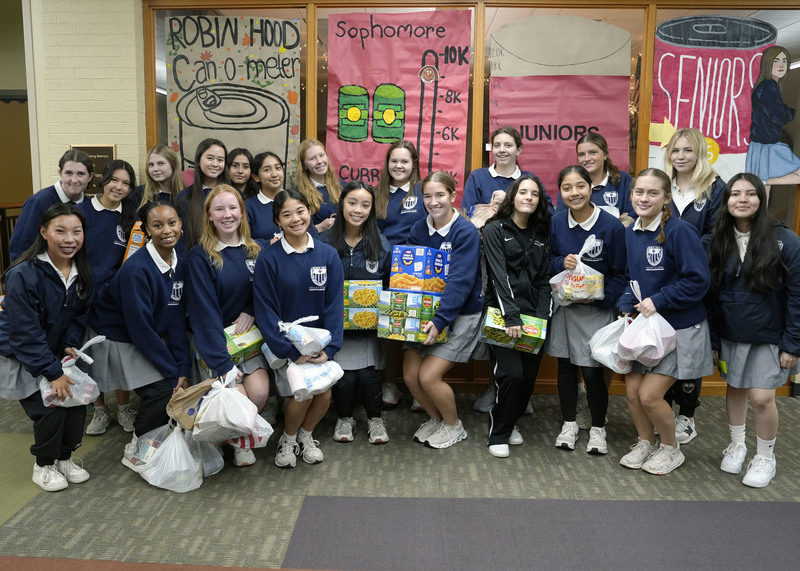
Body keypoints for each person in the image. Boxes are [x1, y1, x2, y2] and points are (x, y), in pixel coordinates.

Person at [707, 173, 800, 488]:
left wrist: (793, 344)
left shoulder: (785, 240)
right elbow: (711, 293)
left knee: (762, 397)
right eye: (735, 194)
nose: (742, 199)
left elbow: (796, 294)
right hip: (730, 331)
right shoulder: (718, 237)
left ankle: (765, 456)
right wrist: (714, 339)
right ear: (727, 200)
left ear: (762, 199)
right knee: (735, 387)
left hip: (770, 335)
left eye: (750, 194)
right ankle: (737, 444)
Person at [617, 168, 712, 475]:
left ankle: (671, 449)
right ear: (631, 195)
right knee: (632, 391)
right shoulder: (630, 232)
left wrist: (659, 300)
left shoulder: (679, 231)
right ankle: (645, 442)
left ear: (666, 197)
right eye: (639, 192)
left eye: (653, 193)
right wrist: (623, 308)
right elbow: (629, 280)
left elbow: (698, 281)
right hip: (645, 328)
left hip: (679, 328)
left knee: (649, 395)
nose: (644, 198)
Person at [86, 200, 191, 473]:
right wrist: (171, 373)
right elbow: (140, 328)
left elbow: (175, 317)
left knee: (175, 381)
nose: (166, 230)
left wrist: (181, 367)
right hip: (116, 335)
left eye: (172, 223)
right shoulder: (137, 270)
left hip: (142, 333)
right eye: (157, 225)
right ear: (146, 230)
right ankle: (139, 443)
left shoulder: (179, 260)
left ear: (181, 225)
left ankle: (151, 437)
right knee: (160, 390)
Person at [0, 203, 93, 491]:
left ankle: (64, 458)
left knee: (76, 404)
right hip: (20, 354)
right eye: (60, 231)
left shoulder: (83, 271)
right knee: (50, 407)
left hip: (53, 353)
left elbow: (80, 316)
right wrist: (52, 373)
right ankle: (44, 465)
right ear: (44, 232)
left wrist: (69, 345)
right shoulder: (23, 274)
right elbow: (25, 334)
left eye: (76, 232)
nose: (69, 239)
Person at [254, 189, 344, 469]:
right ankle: (289, 439)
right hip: (287, 346)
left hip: (320, 345)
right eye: (287, 214)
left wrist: (330, 350)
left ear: (309, 211)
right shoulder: (268, 259)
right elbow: (265, 310)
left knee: (325, 394)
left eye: (301, 211)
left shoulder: (328, 255)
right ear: (277, 221)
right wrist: (292, 353)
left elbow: (334, 306)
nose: (296, 218)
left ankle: (306, 436)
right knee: (302, 394)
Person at [464, 127, 548, 412]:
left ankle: (515, 391)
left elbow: (539, 219)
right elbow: (468, 215)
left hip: (521, 262)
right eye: (497, 144)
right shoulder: (478, 177)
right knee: (496, 322)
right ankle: (495, 386)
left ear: (519, 149)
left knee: (520, 324)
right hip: (485, 258)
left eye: (508, 145)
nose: (501, 150)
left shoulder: (528, 182)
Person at [186, 185, 270, 466]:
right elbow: (203, 313)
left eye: (232, 208)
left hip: (248, 341)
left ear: (242, 212)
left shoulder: (255, 249)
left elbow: (267, 294)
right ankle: (230, 440)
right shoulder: (201, 256)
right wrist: (223, 365)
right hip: (216, 345)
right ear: (209, 215)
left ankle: (235, 438)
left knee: (259, 392)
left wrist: (251, 311)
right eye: (219, 209)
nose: (227, 215)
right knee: (240, 398)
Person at [548, 166, 626, 455]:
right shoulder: (557, 222)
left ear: (591, 187)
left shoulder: (611, 226)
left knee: (593, 373)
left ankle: (597, 428)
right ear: (561, 191)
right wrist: (560, 264)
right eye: (567, 188)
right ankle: (569, 423)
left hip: (595, 308)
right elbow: (548, 262)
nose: (574, 193)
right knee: (566, 368)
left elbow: (621, 272)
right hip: (566, 307)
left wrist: (600, 300)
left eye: (580, 186)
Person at [403, 171, 484, 449]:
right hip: (425, 312)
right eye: (427, 196)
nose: (434, 201)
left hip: (459, 314)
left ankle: (453, 425)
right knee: (411, 376)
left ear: (452, 196)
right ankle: (437, 420)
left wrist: (440, 320)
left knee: (428, 376)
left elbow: (460, 283)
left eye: (440, 195)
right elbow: (409, 274)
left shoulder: (466, 232)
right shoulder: (418, 229)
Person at [662, 127, 725, 445]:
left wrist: (682, 250)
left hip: (698, 281)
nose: (681, 156)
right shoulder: (663, 187)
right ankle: (666, 411)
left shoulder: (715, 189)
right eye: (675, 150)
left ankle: (687, 415)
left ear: (699, 153)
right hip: (662, 279)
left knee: (689, 352)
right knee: (664, 349)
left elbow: (717, 236)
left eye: (687, 150)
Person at [481, 174, 551, 458]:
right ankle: (498, 431)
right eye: (523, 192)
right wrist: (511, 317)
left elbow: (544, 279)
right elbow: (498, 277)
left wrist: (541, 318)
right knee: (511, 374)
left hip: (534, 316)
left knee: (528, 379)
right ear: (513, 196)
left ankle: (510, 422)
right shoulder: (495, 229)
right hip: (502, 314)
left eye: (534, 194)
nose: (529, 198)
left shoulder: (542, 233)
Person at [325, 181, 391, 444]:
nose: (358, 210)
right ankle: (344, 417)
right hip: (335, 327)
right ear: (342, 204)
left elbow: (390, 286)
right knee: (344, 378)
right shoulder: (324, 243)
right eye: (352, 202)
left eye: (365, 205)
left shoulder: (381, 244)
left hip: (369, 328)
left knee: (368, 375)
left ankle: (375, 418)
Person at [77, 160, 139, 435]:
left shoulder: (131, 216)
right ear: (104, 180)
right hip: (85, 293)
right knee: (91, 354)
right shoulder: (82, 211)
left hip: (116, 296)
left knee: (118, 354)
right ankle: (100, 410)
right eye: (115, 180)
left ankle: (124, 407)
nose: (119, 187)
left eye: (126, 183)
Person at [374, 140, 426, 409]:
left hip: (416, 273)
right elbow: (373, 231)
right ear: (387, 163)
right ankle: (389, 383)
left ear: (414, 164)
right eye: (394, 161)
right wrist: (389, 256)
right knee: (389, 331)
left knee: (414, 329)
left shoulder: (423, 191)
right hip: (385, 269)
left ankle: (418, 388)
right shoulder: (378, 193)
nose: (399, 166)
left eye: (405, 161)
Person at [9, 150, 93, 261]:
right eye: (68, 173)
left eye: (81, 174)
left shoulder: (89, 206)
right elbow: (20, 248)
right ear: (60, 173)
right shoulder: (39, 201)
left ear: (90, 177)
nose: (74, 180)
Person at [746, 46, 800, 195]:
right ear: (768, 63)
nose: (781, 65)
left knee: (763, 195)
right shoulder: (768, 87)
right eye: (776, 61)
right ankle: (765, 180)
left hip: (762, 146)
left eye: (784, 61)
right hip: (767, 146)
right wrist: (790, 112)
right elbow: (778, 115)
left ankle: (765, 182)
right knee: (764, 188)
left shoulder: (769, 86)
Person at [559, 132, 634, 224]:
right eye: (581, 154)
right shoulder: (570, 182)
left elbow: (633, 216)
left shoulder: (624, 179)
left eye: (593, 152)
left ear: (605, 155)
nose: (587, 159)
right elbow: (561, 219)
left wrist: (622, 224)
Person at [245, 151, 319, 243]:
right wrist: (270, 243)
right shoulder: (248, 207)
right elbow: (245, 242)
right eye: (267, 170)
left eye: (278, 168)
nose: (274, 174)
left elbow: (312, 234)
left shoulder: (296, 199)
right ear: (255, 177)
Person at [176, 138, 228, 250]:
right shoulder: (184, 197)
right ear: (198, 161)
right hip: (194, 258)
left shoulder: (233, 195)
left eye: (220, 160)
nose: (215, 164)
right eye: (210, 158)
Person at [296, 138, 342, 234]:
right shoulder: (299, 195)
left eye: (321, 155)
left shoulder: (343, 186)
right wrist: (319, 228)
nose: (319, 161)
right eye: (312, 158)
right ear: (304, 165)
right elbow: (295, 232)